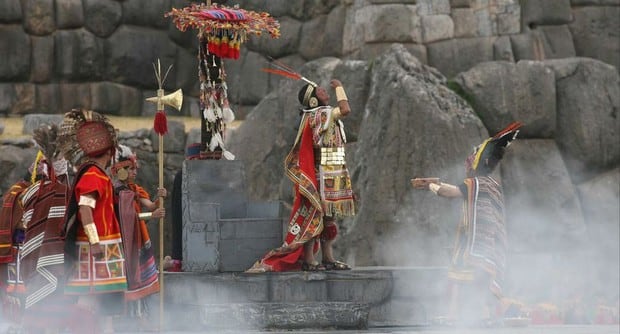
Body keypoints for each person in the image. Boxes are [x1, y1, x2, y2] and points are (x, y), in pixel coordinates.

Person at [412, 122, 522, 326]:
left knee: (463, 275)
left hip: (478, 243)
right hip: (484, 241)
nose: (467, 163)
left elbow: (451, 192)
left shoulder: (476, 183)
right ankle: (483, 314)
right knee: (473, 277)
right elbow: (457, 188)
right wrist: (433, 182)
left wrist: (430, 186)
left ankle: (467, 314)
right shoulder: (490, 183)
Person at [247, 79, 356, 273]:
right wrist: (340, 87)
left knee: (329, 218)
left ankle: (328, 257)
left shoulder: (325, 114)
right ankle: (308, 259)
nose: (323, 89)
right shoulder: (321, 114)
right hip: (322, 172)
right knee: (316, 217)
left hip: (334, 169)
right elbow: (346, 109)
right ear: (313, 100)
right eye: (318, 90)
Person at [59, 109, 127, 334]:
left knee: (104, 306)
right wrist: (95, 242)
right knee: (87, 301)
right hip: (95, 251)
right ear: (110, 151)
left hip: (105, 251)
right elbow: (85, 210)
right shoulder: (93, 176)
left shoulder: (97, 175)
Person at [111, 144, 164, 326]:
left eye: (135, 169)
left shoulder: (134, 189)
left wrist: (159, 198)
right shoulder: (114, 193)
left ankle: (141, 319)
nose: (134, 172)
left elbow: (151, 206)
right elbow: (125, 217)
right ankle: (126, 320)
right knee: (127, 280)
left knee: (142, 284)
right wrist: (151, 215)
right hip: (122, 243)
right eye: (131, 169)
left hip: (139, 241)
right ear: (121, 171)